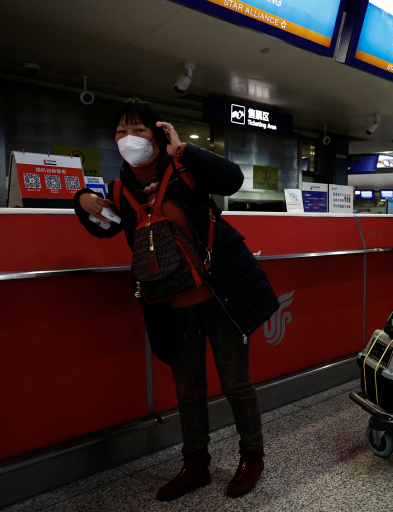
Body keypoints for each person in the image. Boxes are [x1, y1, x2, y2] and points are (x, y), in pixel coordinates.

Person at [74, 98, 279, 501]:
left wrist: (183, 149)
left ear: (159, 133)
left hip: (220, 297)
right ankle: (195, 464)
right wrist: (81, 199)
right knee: (187, 390)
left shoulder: (186, 170)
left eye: (138, 131)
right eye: (120, 132)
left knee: (236, 383)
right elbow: (103, 229)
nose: (127, 139)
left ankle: (252, 457)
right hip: (172, 306)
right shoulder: (121, 189)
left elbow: (232, 179)